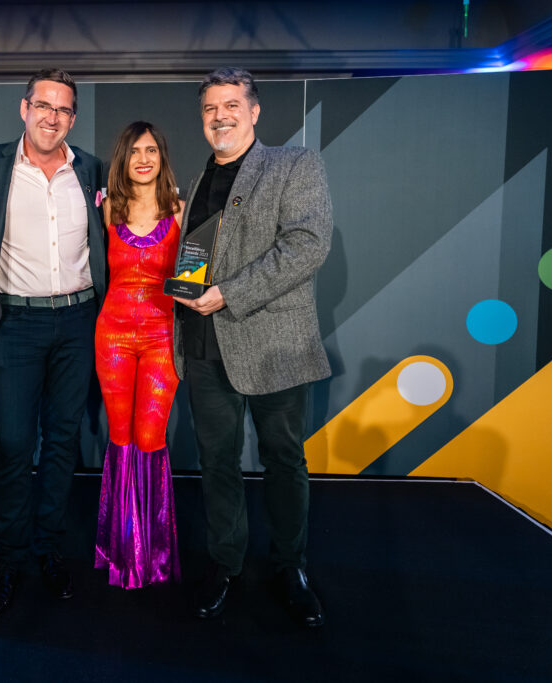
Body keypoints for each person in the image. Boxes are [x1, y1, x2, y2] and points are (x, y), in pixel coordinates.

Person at [172, 67, 332, 628]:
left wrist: (229, 294)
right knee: (217, 462)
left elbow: (307, 245)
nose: (221, 115)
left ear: (254, 111)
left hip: (273, 346)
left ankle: (291, 567)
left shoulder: (294, 164)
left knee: (284, 459)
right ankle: (225, 562)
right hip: (202, 346)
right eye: (211, 107)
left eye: (232, 105)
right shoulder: (194, 181)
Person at [0, 68, 106, 622]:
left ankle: (49, 549)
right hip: (17, 326)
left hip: (78, 323)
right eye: (44, 106)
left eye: (65, 110)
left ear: (73, 118)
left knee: (62, 444)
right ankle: (8, 560)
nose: (53, 117)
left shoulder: (93, 170)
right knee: (12, 446)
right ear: (24, 108)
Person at [94, 121, 183, 589]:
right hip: (111, 336)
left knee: (151, 438)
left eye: (152, 150)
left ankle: (154, 554)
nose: (144, 158)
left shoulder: (181, 210)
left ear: (162, 156)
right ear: (123, 159)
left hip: (162, 337)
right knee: (121, 435)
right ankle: (119, 552)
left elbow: (195, 276)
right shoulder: (108, 208)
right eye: (135, 152)